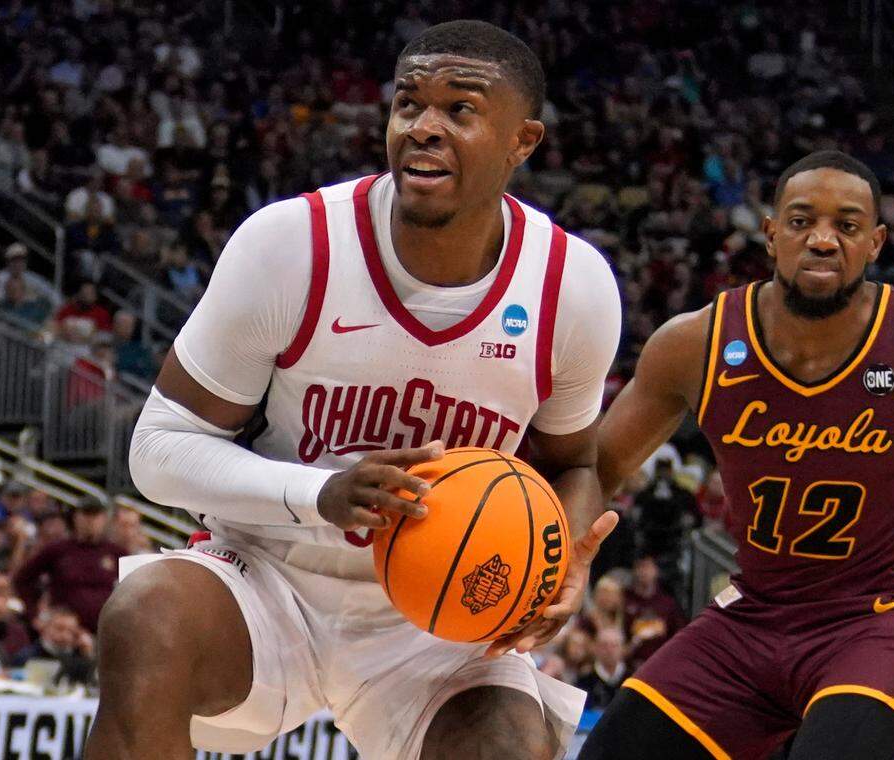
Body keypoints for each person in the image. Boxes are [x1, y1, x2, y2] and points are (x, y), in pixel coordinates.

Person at [90, 21, 620, 760]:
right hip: (270, 573)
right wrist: (320, 493)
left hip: (444, 615)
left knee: (509, 744)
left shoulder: (575, 288)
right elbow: (157, 451)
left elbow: (576, 465)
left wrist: (561, 564)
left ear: (521, 141)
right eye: (409, 105)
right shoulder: (292, 244)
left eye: (459, 111)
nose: (424, 129)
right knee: (146, 617)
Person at [580, 151, 894, 760]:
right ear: (769, 234)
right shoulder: (696, 343)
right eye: (801, 222)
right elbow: (597, 469)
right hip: (753, 615)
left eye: (846, 226)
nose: (822, 240)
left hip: (877, 617)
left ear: (874, 243)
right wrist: (553, 563)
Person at [13, 497, 125, 633]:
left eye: (95, 516)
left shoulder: (116, 552)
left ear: (104, 519)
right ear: (76, 518)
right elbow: (23, 579)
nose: (90, 521)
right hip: (64, 630)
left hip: (103, 629)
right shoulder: (58, 549)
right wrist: (34, 615)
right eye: (86, 515)